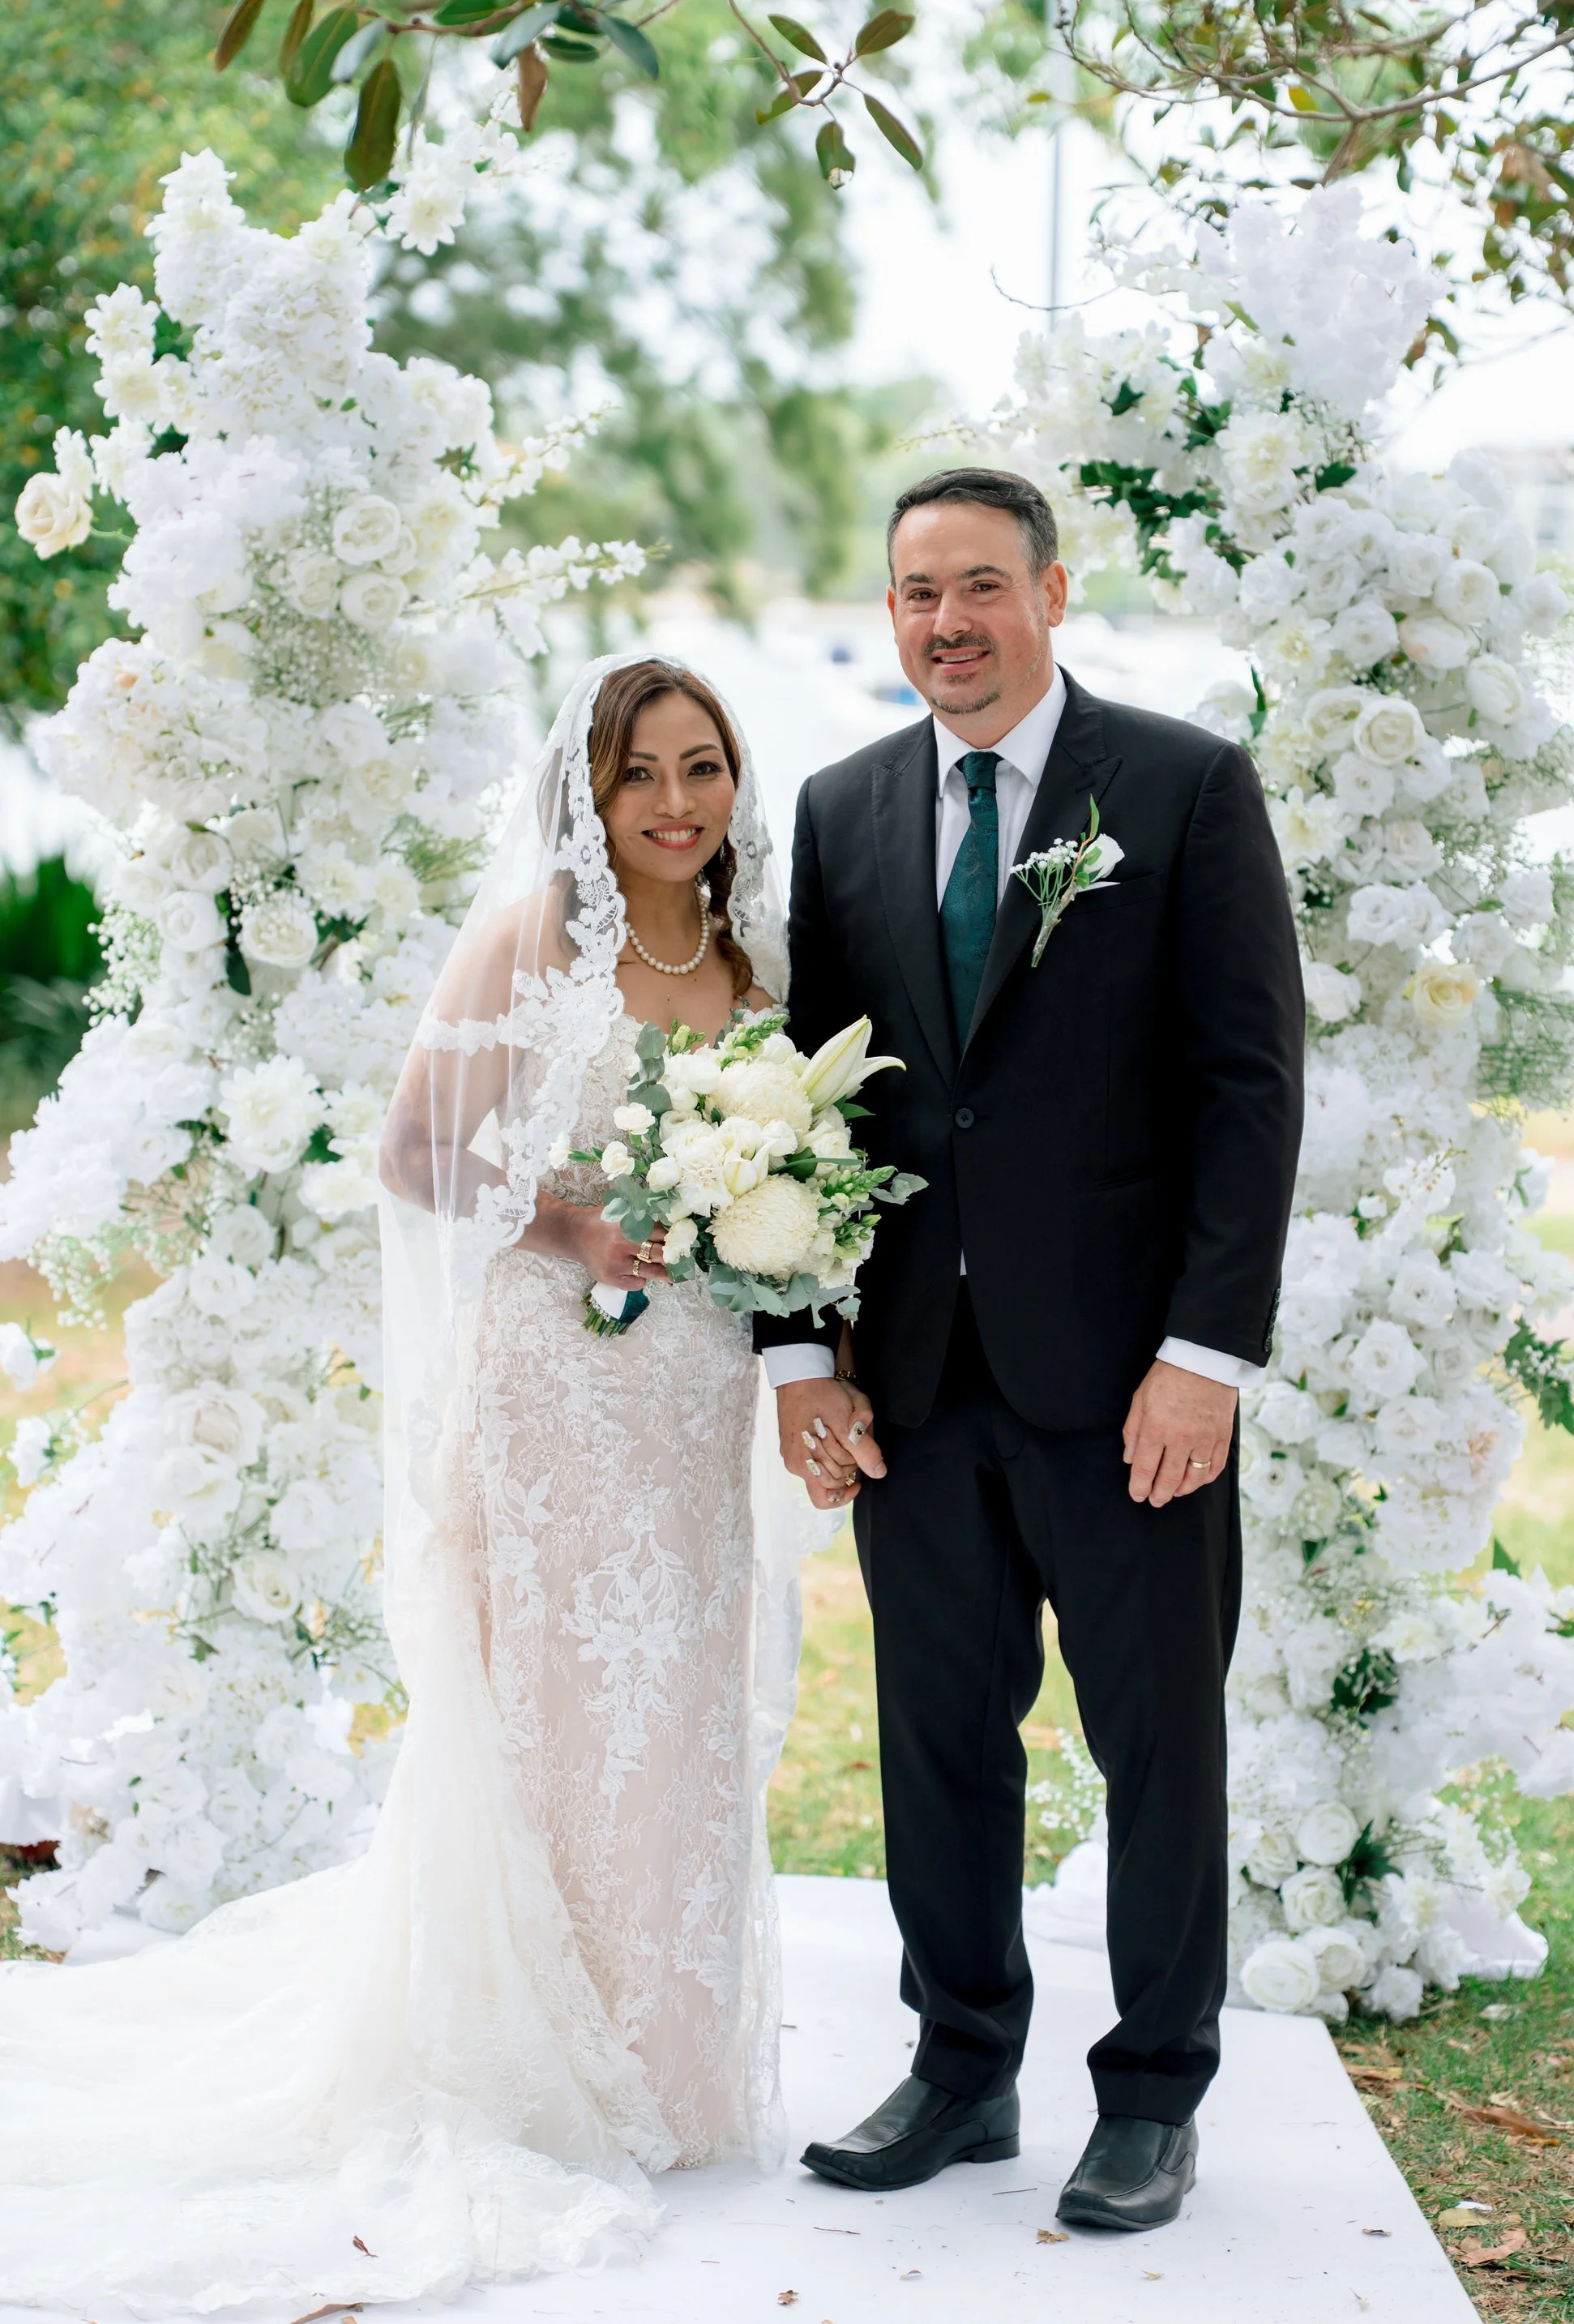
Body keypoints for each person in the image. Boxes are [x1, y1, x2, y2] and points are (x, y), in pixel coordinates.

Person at [0, 653, 805, 2309]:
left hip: (690, 1388)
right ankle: (530, 2048)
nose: (674, 800)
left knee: (676, 1702)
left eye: (702, 765)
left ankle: (668, 2049)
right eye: (639, 770)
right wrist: (574, 1221)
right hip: (551, 1382)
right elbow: (412, 1152)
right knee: (551, 1700)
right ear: (586, 794)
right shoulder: (538, 941)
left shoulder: (753, 955)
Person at [754, 470, 1304, 2232]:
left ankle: (1153, 2090)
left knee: (1155, 1744)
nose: (945, 622)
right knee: (936, 1735)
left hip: (1130, 1377)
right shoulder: (839, 809)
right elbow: (789, 1107)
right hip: (911, 1374)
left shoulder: (1179, 784)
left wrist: (1205, 1349)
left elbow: (1247, 1085)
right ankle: (961, 2061)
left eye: (980, 584)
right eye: (916, 591)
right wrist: (797, 1352)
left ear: (1051, 592)